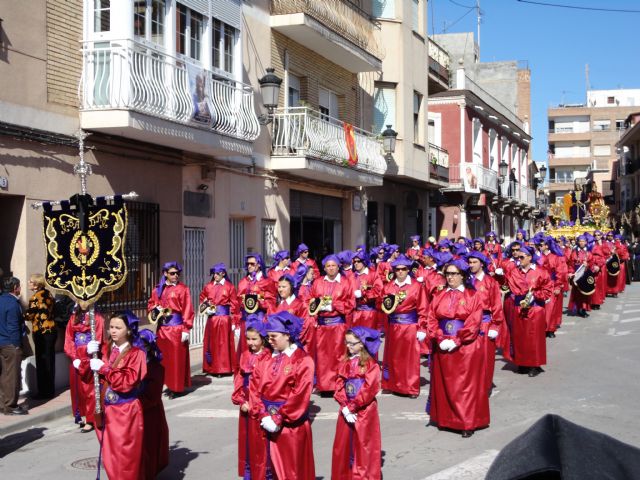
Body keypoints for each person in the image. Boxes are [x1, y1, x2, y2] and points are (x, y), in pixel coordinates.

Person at [249, 311, 315, 479]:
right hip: (264, 422)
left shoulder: (302, 360)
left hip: (289, 426)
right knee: (265, 467)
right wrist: (263, 414)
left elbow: (300, 394)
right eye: (268, 337)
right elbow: (255, 389)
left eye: (273, 336)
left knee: (291, 469)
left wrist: (278, 418)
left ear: (287, 335)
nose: (269, 341)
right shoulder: (265, 358)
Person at [426, 259, 486, 438]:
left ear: (463, 276)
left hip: (465, 348)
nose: (450, 277)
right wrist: (438, 336)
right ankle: (446, 419)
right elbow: (431, 318)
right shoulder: (439, 295)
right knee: (444, 383)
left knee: (464, 386)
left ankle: (466, 422)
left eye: (454, 274)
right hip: (442, 344)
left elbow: (474, 322)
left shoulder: (472, 295)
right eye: (448, 274)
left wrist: (458, 339)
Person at [87, 312, 147, 480]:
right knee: (111, 456)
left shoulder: (136, 354)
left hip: (125, 412)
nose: (113, 331)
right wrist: (89, 355)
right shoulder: (106, 349)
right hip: (107, 409)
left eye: (118, 328)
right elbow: (92, 373)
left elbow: (127, 381)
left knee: (125, 457)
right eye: (111, 327)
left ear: (128, 330)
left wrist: (104, 368)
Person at [331, 327, 382, 480]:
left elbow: (369, 388)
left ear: (362, 344)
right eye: (347, 343)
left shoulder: (371, 364)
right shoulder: (345, 361)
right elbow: (339, 383)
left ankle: (363, 476)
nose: (348, 346)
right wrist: (345, 405)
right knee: (343, 444)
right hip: (346, 408)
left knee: (364, 445)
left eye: (352, 343)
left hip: (364, 409)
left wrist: (353, 406)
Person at [380, 254, 429, 398]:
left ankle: (411, 387)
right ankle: (395, 384)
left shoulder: (416, 286)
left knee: (410, 358)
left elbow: (423, 308)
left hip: (410, 326)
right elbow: (383, 306)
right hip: (394, 326)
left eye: (403, 269)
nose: (400, 272)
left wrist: (422, 327)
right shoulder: (388, 287)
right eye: (397, 269)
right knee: (394, 357)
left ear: (408, 270)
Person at [147, 262, 194, 398]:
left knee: (176, 360)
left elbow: (188, 309)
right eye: (172, 273)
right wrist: (155, 309)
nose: (175, 276)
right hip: (162, 329)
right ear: (165, 273)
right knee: (163, 359)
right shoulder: (157, 290)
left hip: (176, 329)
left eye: (177, 273)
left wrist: (186, 328)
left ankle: (176, 388)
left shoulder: (183, 289)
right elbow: (150, 305)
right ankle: (165, 384)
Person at [231, 316, 271, 479]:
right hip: (246, 403)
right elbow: (239, 379)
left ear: (263, 339)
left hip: (261, 404)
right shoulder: (245, 355)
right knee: (248, 441)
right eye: (248, 339)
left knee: (261, 442)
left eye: (254, 339)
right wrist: (241, 400)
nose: (251, 343)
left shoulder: (269, 356)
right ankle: (250, 473)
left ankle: (264, 473)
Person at [504, 246, 552, 377]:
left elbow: (548, 291)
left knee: (534, 338)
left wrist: (534, 295)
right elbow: (506, 285)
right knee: (520, 337)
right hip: (519, 308)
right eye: (517, 257)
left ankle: (535, 365)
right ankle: (522, 363)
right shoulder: (514, 272)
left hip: (535, 309)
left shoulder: (541, 272)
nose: (519, 260)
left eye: (521, 257)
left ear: (530, 257)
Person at [310, 255, 355, 392]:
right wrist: (314, 317)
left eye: (333, 265)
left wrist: (334, 305)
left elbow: (351, 303)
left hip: (338, 325)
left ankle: (338, 384)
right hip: (322, 325)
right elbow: (311, 301)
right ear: (324, 268)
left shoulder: (345, 282)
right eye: (328, 266)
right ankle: (324, 386)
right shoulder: (317, 282)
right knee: (323, 357)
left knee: (339, 356)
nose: (331, 268)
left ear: (338, 266)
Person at [466, 252, 505, 395]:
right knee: (469, 357)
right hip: (468, 324)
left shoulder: (490, 282)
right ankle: (471, 386)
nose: (471, 265)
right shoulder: (466, 281)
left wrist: (495, 325)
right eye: (469, 262)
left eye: (474, 262)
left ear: (481, 263)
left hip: (484, 322)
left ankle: (485, 386)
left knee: (486, 357)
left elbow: (496, 305)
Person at [64, 304, 106, 430]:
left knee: (91, 390)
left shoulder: (97, 318)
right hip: (77, 357)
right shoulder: (73, 317)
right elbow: (69, 338)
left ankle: (91, 419)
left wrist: (92, 348)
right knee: (78, 390)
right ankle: (81, 415)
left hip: (89, 358)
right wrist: (74, 356)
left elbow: (99, 337)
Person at [135, 329, 169, 479]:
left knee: (149, 445)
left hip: (149, 412)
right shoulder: (134, 365)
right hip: (135, 412)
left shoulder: (155, 368)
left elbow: (153, 396)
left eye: (143, 345)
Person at [199, 263, 239, 376]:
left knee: (224, 344)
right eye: (213, 274)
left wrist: (234, 321)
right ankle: (213, 368)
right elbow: (202, 299)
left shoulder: (229, 287)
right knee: (212, 344)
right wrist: (206, 309)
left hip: (224, 319)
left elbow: (234, 304)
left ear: (223, 273)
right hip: (212, 319)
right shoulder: (208, 286)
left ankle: (224, 368)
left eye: (217, 274)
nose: (215, 276)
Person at [237, 254, 277, 358]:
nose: (249, 266)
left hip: (260, 319)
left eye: (252, 264)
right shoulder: (243, 282)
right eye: (247, 264)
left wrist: (260, 302)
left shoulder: (267, 282)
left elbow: (272, 302)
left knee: (260, 350)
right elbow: (238, 303)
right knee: (245, 350)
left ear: (258, 265)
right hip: (245, 320)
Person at [24, 274, 56, 399]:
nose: (29, 282)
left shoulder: (35, 297)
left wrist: (22, 311)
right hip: (51, 331)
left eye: (31, 281)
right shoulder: (48, 294)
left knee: (42, 362)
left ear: (36, 284)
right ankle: (50, 390)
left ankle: (43, 392)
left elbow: (28, 316)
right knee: (50, 361)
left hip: (41, 333)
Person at [0, 277, 27, 416]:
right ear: (15, 287)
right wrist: (16, 345)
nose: (20, 288)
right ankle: (10, 406)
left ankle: (3, 403)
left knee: (3, 375)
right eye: (19, 286)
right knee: (12, 376)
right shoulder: (12, 303)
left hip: (2, 342)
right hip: (9, 343)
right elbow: (13, 327)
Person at [350, 251, 383, 331]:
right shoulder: (351, 276)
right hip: (355, 314)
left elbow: (379, 290)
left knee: (368, 338)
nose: (356, 263)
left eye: (359, 261)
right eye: (354, 261)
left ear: (364, 261)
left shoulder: (373, 274)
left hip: (369, 313)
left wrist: (363, 293)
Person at [568, 235, 595, 318]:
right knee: (576, 293)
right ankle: (577, 308)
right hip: (577, 276)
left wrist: (588, 265)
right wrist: (570, 273)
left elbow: (592, 265)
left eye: (583, 241)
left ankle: (583, 309)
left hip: (585, 275)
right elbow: (571, 265)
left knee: (584, 294)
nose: (581, 243)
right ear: (578, 242)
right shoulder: (574, 253)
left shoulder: (589, 253)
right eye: (580, 241)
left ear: (586, 242)